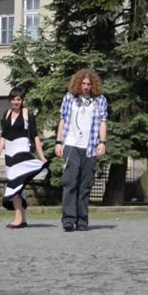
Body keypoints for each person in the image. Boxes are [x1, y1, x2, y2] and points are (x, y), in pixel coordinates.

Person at [55, 69, 107, 232]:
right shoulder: (69, 98)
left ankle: (82, 220)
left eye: (89, 84)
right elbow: (63, 119)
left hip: (90, 147)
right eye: (83, 83)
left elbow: (103, 122)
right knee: (70, 182)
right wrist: (58, 142)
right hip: (71, 144)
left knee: (85, 185)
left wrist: (102, 142)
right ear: (78, 83)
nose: (85, 87)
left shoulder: (100, 100)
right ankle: (68, 220)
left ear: (93, 85)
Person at [0, 87, 48, 228]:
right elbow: (3, 137)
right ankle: (23, 219)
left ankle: (17, 218)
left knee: (16, 183)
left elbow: (35, 136)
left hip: (22, 150)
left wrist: (41, 156)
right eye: (13, 99)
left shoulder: (27, 114)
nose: (15, 102)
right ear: (10, 100)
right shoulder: (6, 114)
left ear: (22, 100)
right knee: (19, 185)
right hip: (9, 153)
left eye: (18, 99)